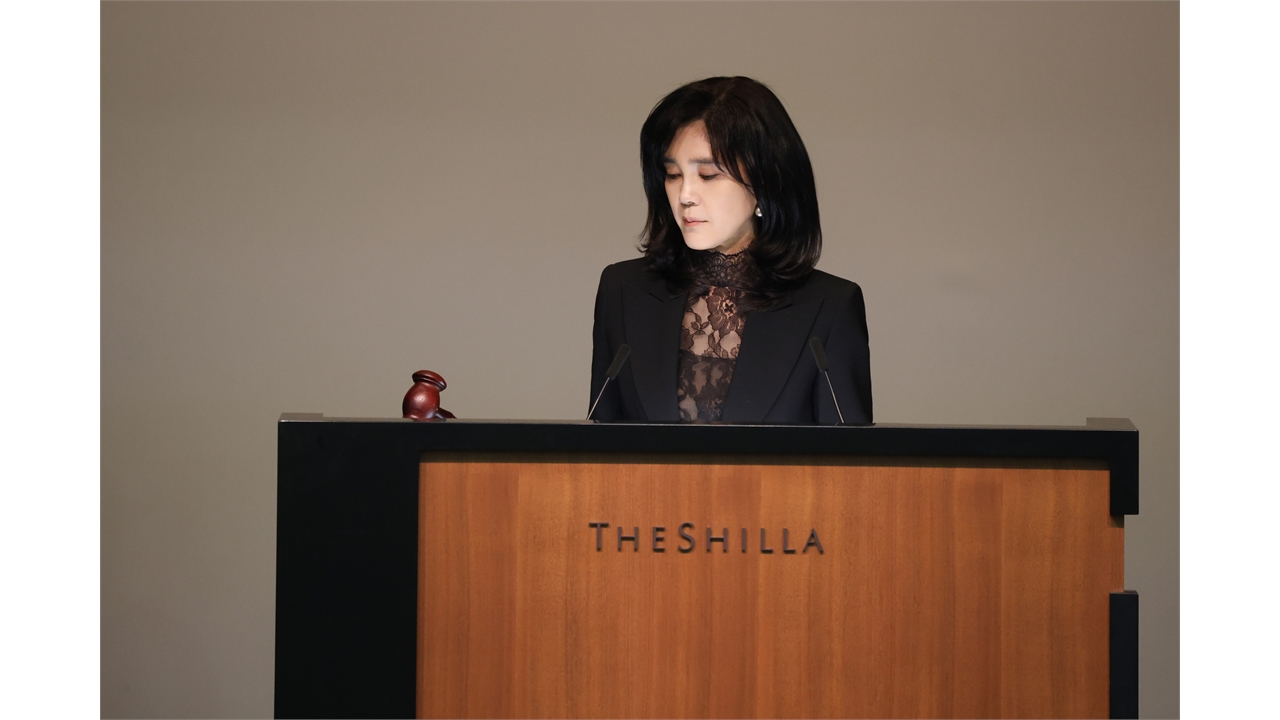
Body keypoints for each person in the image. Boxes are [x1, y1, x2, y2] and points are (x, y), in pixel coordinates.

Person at [590, 76, 872, 424]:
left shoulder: (830, 308)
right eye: (673, 174)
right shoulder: (622, 290)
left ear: (765, 181)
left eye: (708, 175)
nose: (685, 195)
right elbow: (597, 447)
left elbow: (849, 457)